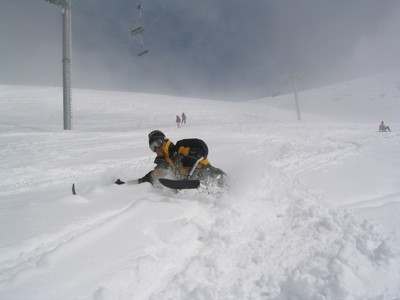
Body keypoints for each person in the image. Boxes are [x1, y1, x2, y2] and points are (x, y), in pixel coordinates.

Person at [137, 130, 228, 190]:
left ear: (165, 141)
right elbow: (156, 173)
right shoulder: (164, 162)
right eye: (153, 147)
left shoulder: (180, 147)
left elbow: (201, 144)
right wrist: (144, 179)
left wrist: (195, 153)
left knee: (216, 183)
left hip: (211, 174)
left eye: (158, 143)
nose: (157, 148)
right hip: (194, 184)